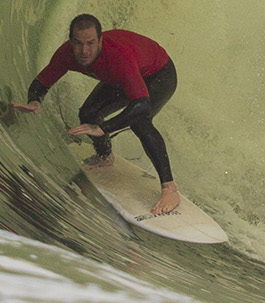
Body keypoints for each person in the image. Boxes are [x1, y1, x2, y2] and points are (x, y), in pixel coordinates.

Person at [11, 14, 182, 215]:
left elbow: (142, 105)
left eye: (91, 43)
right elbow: (43, 81)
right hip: (124, 76)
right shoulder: (67, 53)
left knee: (139, 122)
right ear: (71, 41)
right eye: (78, 43)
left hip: (159, 74)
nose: (84, 51)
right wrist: (34, 100)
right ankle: (105, 157)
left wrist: (103, 128)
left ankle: (170, 189)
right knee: (89, 112)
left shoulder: (118, 56)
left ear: (101, 40)